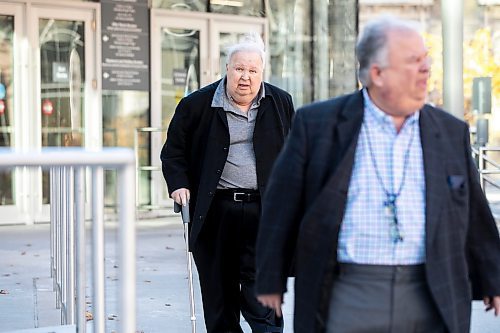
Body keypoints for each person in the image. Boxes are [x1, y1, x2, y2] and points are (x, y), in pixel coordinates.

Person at [255, 15, 500, 333]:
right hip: (349, 288)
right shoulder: (318, 125)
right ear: (377, 73)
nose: (426, 68)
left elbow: (473, 213)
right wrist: (270, 278)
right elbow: (282, 204)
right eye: (413, 61)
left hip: (432, 287)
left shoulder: (449, 132)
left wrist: (493, 277)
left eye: (426, 59)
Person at [161, 32, 294, 333]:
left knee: (263, 299)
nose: (245, 77)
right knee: (219, 300)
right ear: (227, 68)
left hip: (263, 212)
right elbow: (173, 152)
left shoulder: (280, 102)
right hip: (215, 213)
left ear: (261, 73)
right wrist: (178, 184)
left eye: (252, 71)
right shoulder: (196, 105)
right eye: (239, 69)